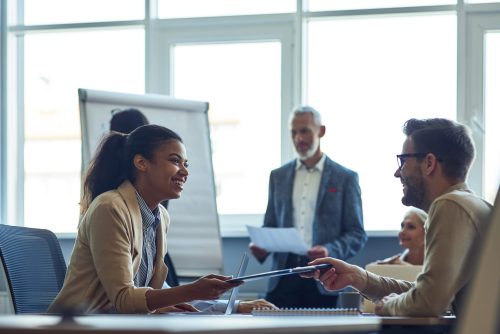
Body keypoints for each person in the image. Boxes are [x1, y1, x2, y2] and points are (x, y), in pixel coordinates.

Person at [48, 125, 272, 314]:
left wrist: (236, 306)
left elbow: (163, 296)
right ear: (141, 163)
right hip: (80, 326)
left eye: (186, 164)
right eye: (176, 161)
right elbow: (125, 299)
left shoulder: (160, 217)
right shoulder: (110, 208)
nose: (184, 171)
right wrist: (194, 289)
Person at [306, 118, 493, 316]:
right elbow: (426, 293)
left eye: (403, 161)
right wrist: (358, 277)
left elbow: (427, 302)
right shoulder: (471, 206)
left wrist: (386, 306)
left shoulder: (448, 205)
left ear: (429, 163)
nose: (397, 172)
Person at [249, 105, 367, 308]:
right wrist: (263, 247)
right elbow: (270, 225)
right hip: (283, 276)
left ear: (321, 131)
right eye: (293, 132)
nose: (298, 139)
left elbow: (357, 233)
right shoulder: (277, 176)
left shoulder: (345, 178)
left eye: (304, 131)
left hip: (324, 276)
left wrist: (329, 250)